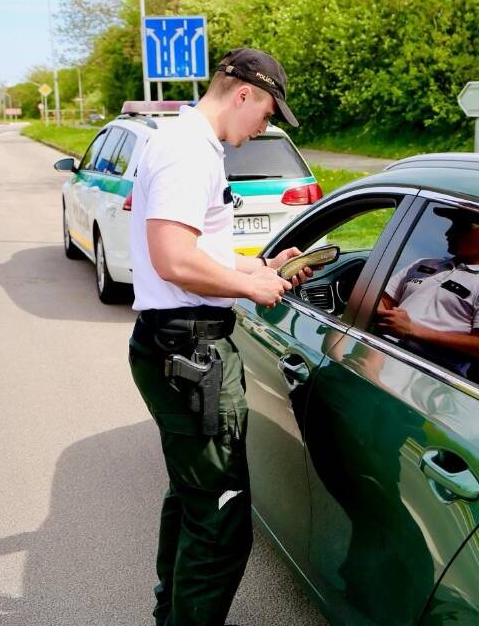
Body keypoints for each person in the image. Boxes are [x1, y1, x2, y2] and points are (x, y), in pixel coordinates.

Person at [127, 47, 310, 626]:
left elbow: (198, 250)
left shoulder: (186, 142)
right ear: (243, 94)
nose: (266, 127)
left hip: (179, 343)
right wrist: (249, 289)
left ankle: (169, 615)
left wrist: (260, 266)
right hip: (191, 354)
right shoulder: (188, 153)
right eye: (267, 114)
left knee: (192, 499)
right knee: (221, 528)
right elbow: (173, 260)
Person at [376, 207, 479, 380]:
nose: (449, 232)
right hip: (376, 358)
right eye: (452, 224)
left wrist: (412, 330)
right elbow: (382, 302)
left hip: (424, 381)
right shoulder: (422, 264)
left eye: (461, 227)